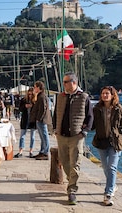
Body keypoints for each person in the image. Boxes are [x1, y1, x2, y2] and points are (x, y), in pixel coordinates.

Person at [53, 72, 93, 205]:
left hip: (76, 135)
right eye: (63, 82)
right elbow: (55, 114)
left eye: (65, 82)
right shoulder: (60, 96)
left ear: (73, 83)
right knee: (65, 162)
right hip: (61, 135)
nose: (63, 84)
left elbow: (90, 117)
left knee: (75, 163)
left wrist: (84, 132)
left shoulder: (84, 97)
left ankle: (72, 191)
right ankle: (71, 181)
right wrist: (55, 129)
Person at [92, 86, 122, 206]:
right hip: (101, 142)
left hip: (115, 143)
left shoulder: (118, 109)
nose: (105, 95)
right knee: (105, 167)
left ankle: (108, 194)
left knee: (111, 167)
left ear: (112, 95)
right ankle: (113, 184)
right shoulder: (97, 109)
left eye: (107, 93)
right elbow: (92, 124)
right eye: (103, 93)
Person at [31, 81, 52, 160]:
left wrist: (39, 118)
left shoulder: (42, 96)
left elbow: (43, 108)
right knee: (42, 136)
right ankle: (42, 151)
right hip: (40, 119)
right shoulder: (40, 96)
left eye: (35, 87)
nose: (34, 88)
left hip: (42, 120)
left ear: (39, 88)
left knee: (44, 136)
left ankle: (45, 152)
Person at [14, 88, 36, 158]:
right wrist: (25, 106)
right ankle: (20, 150)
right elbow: (20, 109)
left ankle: (31, 151)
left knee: (32, 137)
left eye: (31, 94)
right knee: (22, 136)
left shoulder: (35, 100)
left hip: (33, 120)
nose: (30, 96)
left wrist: (33, 106)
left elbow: (38, 109)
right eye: (29, 94)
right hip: (25, 119)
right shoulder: (23, 100)